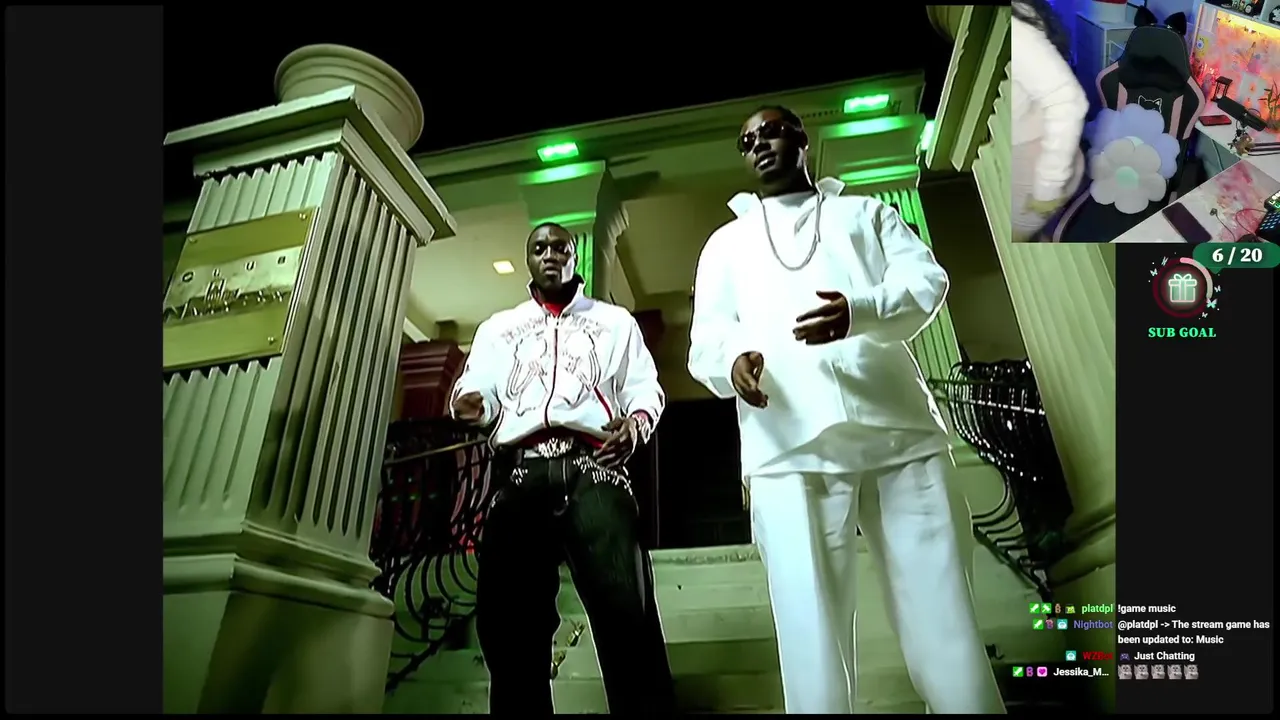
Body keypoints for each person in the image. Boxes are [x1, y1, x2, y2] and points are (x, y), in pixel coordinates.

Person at [687, 106, 1006, 714]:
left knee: (944, 614)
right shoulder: (724, 244)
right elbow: (707, 338)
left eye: (772, 132)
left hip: (898, 427)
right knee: (809, 631)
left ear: (802, 139)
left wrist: (861, 310)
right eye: (747, 141)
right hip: (787, 441)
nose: (759, 145)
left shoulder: (865, 213)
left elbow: (927, 281)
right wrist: (731, 362)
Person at [451, 222, 674, 714]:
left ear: (576, 257)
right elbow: (478, 386)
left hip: (593, 466)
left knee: (626, 610)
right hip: (522, 473)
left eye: (561, 247)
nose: (550, 254)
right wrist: (472, 404)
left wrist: (636, 424)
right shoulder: (498, 328)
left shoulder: (615, 322)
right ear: (528, 259)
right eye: (540, 248)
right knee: (509, 625)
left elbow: (644, 388)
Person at [1012, 0, 1090, 242]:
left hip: (1037, 166)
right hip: (1036, 153)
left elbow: (1068, 101)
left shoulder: (1017, 30)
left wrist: (1048, 187)